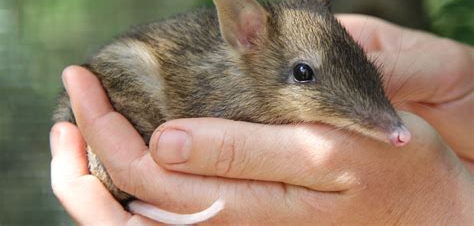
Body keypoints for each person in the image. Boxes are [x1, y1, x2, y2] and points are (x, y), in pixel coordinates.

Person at [50, 14, 474, 225]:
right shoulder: (237, 88)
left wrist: (450, 208)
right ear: (246, 37)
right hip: (122, 130)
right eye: (304, 76)